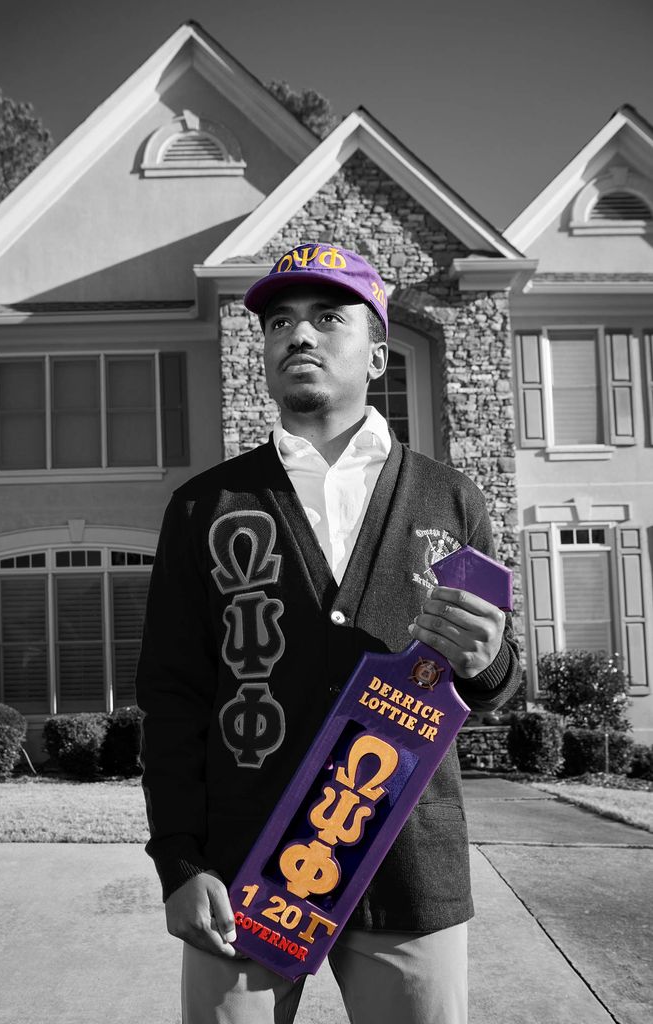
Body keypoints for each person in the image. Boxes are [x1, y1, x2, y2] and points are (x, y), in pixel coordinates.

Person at [135, 242, 521, 1024]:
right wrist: (177, 861)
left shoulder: (451, 498)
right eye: (280, 322)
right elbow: (170, 697)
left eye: (326, 318)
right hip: (244, 872)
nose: (298, 335)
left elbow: (500, 676)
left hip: (408, 863)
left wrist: (488, 663)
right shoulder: (203, 507)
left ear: (378, 353)